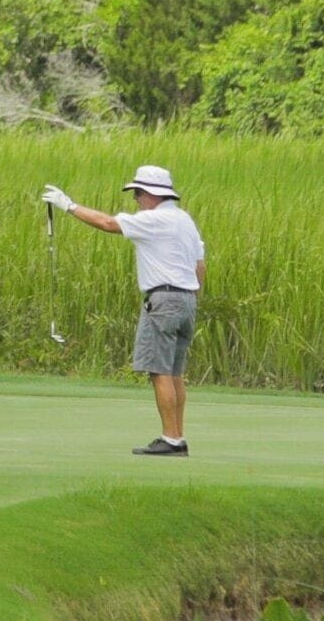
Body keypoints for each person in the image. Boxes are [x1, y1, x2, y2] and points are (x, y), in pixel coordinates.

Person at [46, 165, 205, 457]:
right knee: (174, 372)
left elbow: (108, 224)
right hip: (187, 299)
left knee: (160, 372)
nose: (135, 199)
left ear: (151, 194)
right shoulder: (184, 220)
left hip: (163, 298)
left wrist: (68, 206)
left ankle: (170, 439)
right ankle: (177, 436)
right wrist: (192, 297)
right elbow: (200, 265)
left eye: (138, 193)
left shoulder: (155, 219)